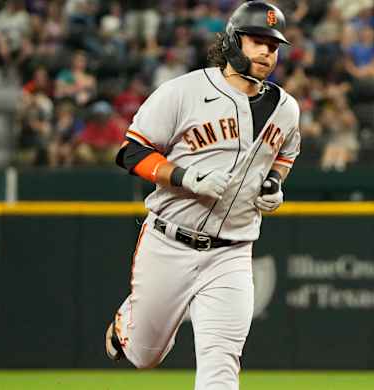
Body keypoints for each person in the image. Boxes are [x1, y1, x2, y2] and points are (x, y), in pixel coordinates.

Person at [104, 2, 301, 390]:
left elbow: (286, 153)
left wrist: (275, 181)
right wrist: (182, 176)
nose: (266, 52)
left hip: (232, 251)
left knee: (221, 364)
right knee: (144, 356)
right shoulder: (184, 92)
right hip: (169, 241)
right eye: (257, 41)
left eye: (273, 46)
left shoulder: (286, 108)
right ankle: (128, 320)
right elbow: (133, 151)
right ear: (231, 41)